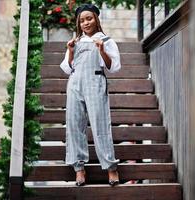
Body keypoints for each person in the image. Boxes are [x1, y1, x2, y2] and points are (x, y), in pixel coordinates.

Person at [59, 4, 120, 187]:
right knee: (74, 124)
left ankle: (111, 168)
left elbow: (113, 67)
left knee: (100, 123)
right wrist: (70, 51)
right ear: (78, 22)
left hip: (95, 81)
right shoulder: (75, 42)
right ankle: (79, 169)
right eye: (82, 20)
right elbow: (67, 68)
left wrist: (102, 50)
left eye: (89, 18)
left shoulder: (106, 40)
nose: (86, 23)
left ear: (96, 19)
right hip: (75, 83)